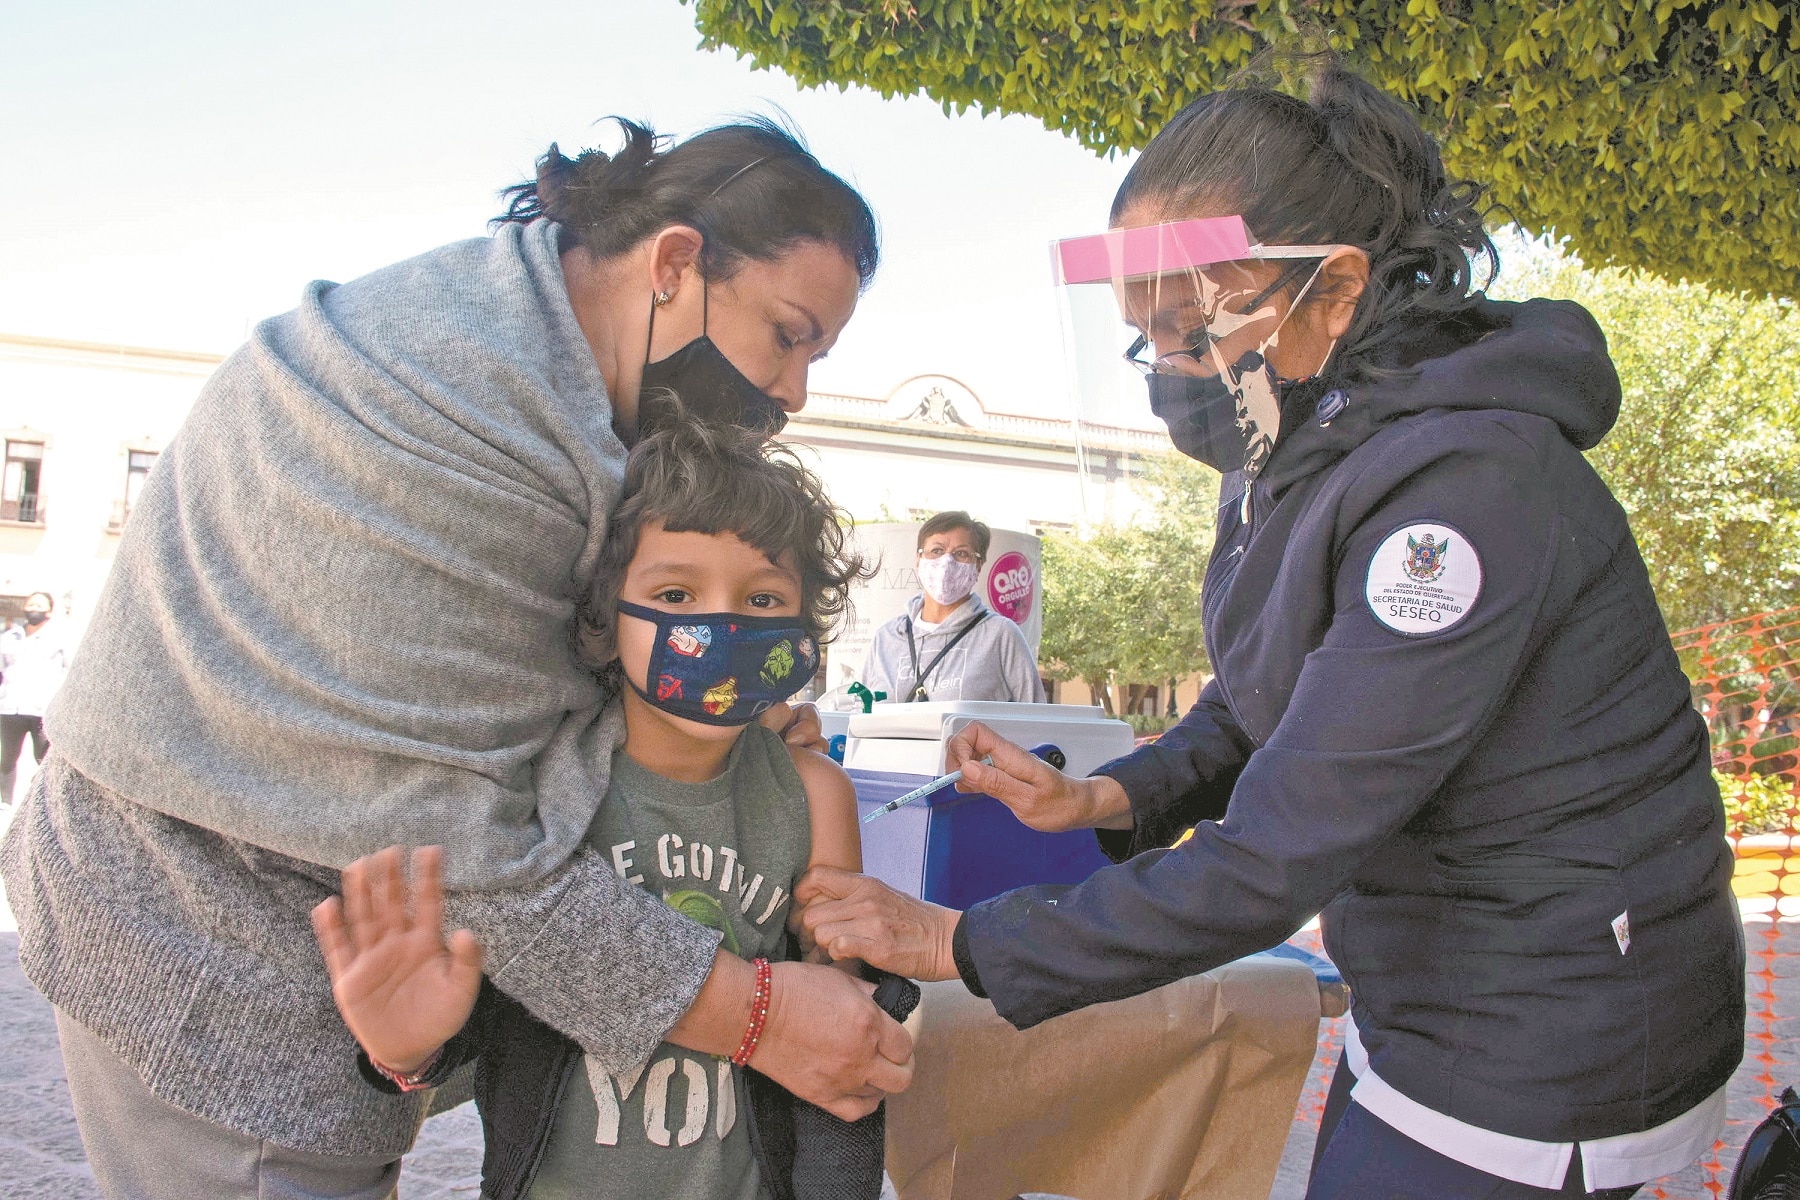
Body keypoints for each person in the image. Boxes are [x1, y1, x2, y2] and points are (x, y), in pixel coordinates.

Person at [797, 55, 1743, 1200]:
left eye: (1191, 331)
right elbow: (1261, 688)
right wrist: (1112, 796)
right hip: (1425, 993)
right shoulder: (1300, 451)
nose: (1166, 373)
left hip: (1543, 1036)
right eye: (1144, 337)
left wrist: (960, 941)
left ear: (1334, 292)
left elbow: (1285, 845)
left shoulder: (1467, 486)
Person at [0, 116, 912, 1199]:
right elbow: (464, 849)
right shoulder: (454, 414)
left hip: (355, 973)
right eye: (789, 334)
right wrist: (757, 1016)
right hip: (211, 947)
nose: (795, 392)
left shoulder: (537, 350)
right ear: (674, 264)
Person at [312, 419, 914, 1200]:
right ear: (605, 615)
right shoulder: (539, 785)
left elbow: (844, 1051)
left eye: (763, 598)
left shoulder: (813, 795)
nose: (718, 627)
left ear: (805, 626)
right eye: (674, 594)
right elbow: (492, 1005)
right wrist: (407, 1052)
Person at [858, 511, 1044, 703]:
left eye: (961, 553)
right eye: (937, 551)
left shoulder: (1001, 635)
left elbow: (1036, 719)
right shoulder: (886, 638)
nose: (947, 562)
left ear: (978, 565)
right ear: (918, 559)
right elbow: (859, 712)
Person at [0, 591, 68, 804]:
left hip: (42, 709)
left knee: (43, 758)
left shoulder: (59, 638)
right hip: (11, 707)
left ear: (48, 611)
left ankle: (43, 802)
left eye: (39, 605)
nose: (34, 609)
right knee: (7, 758)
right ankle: (4, 802)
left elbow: (68, 670)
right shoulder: (9, 637)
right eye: (31, 604)